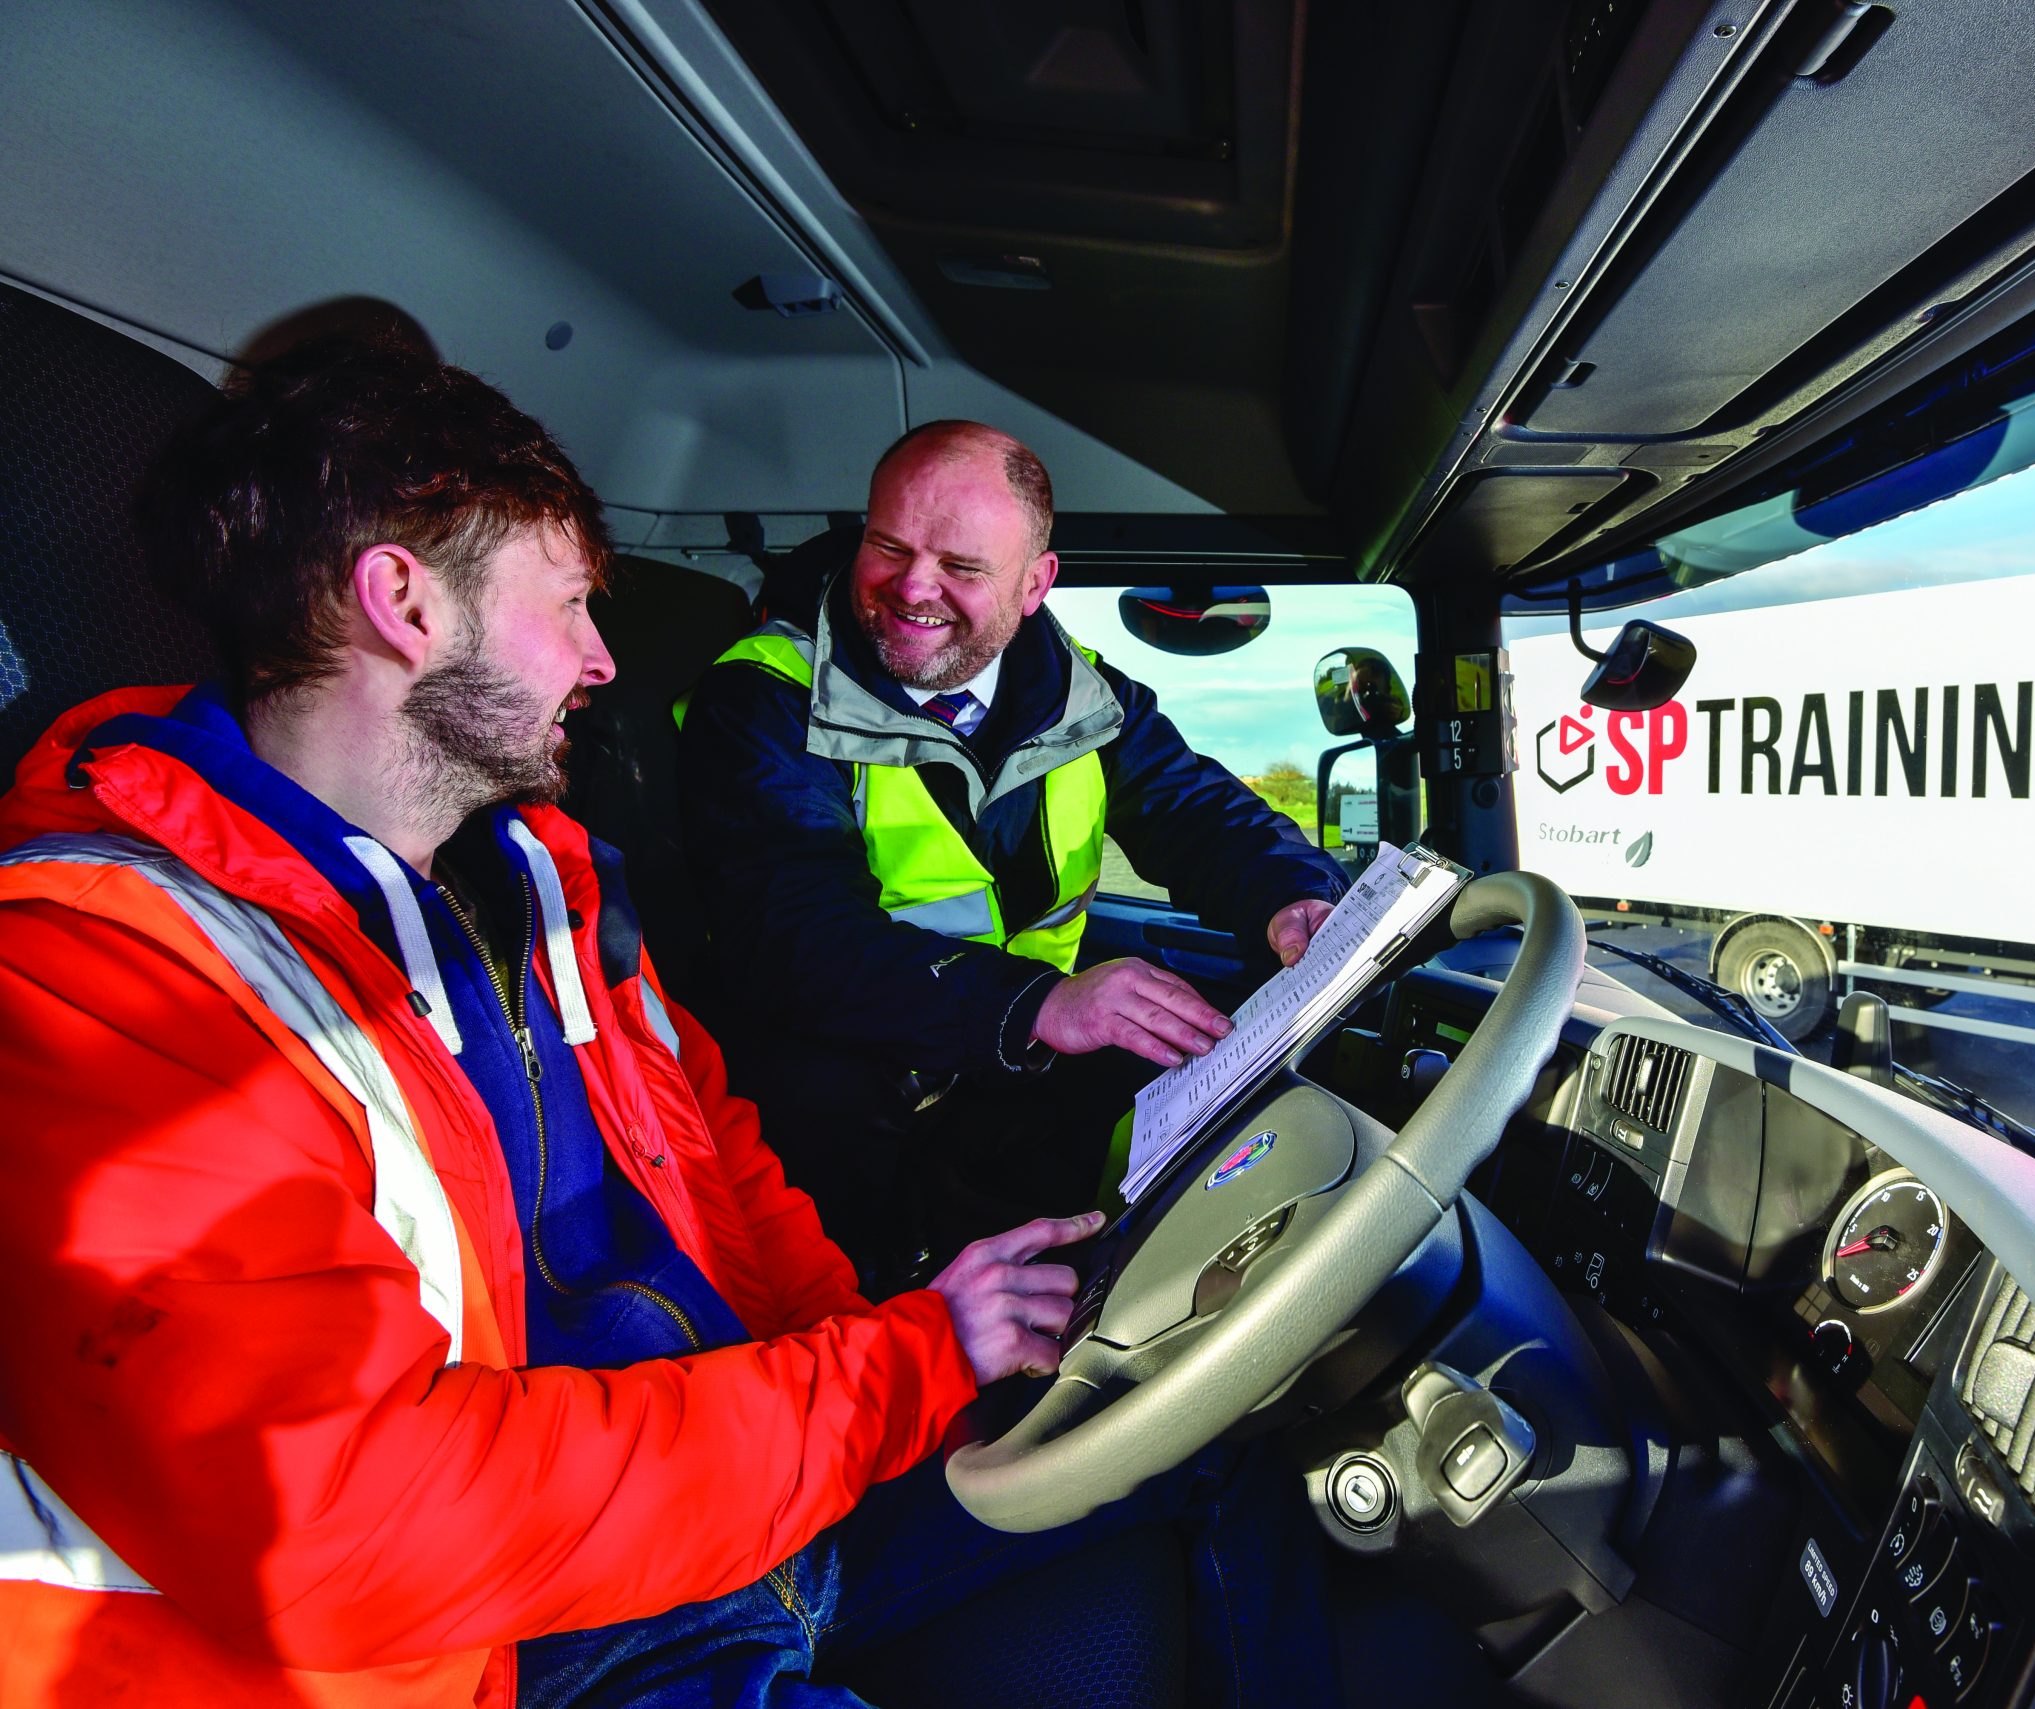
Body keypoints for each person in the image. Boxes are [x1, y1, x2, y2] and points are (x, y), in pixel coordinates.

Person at [0, 344, 1333, 1708]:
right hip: (522, 1629)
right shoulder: (106, 977)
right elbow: (351, 1522)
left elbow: (716, 1163)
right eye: (570, 604)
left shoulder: (546, 876)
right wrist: (897, 1367)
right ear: (402, 602)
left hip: (738, 1489)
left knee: (1216, 1431)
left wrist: (898, 1366)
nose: (603, 659)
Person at [678, 422, 1344, 1280]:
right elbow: (792, 934)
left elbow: (1192, 807)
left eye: (961, 567)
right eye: (889, 545)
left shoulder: (1087, 693)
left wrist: (1290, 897)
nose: (913, 586)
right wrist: (1037, 1005)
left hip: (997, 1090)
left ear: (1036, 584)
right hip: (824, 1117)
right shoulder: (763, 695)